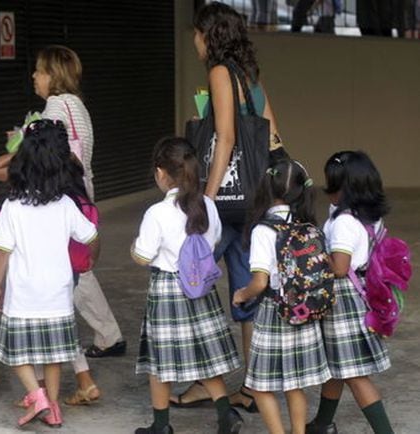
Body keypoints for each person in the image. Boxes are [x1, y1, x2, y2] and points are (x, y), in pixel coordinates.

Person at [174, 2, 286, 411]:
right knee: (246, 294)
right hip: (254, 204)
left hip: (226, 203)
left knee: (191, 281)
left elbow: (224, 138)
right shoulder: (250, 76)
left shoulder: (220, 72)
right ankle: (254, 389)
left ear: (210, 35)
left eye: (198, 36)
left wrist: (207, 197)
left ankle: (209, 381)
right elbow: (271, 136)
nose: (195, 43)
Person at [0, 45, 126, 360]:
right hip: (80, 189)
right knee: (77, 266)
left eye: (39, 70)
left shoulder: (55, 107)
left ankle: (97, 338)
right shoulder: (76, 105)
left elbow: (50, 152)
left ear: (52, 74)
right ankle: (108, 335)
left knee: (71, 269)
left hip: (63, 193)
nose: (34, 76)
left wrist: (21, 146)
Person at [0, 119, 100, 428]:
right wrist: (91, 259)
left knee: (17, 352)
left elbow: (2, 251)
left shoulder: (13, 205)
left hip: (24, 291)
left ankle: (36, 395)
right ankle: (52, 407)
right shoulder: (65, 204)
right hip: (58, 291)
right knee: (54, 356)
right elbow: (91, 237)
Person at [132, 137, 243, 434]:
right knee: (205, 358)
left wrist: (134, 249)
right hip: (200, 288)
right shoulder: (207, 204)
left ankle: (161, 426)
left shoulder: (157, 212)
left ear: (161, 173)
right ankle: (226, 416)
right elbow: (215, 240)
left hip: (168, 291)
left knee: (160, 363)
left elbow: (143, 257)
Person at [233, 159, 331, 434]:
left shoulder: (264, 230)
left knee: (260, 385)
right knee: (294, 384)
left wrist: (241, 294)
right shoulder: (307, 225)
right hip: (304, 311)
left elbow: (260, 282)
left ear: (265, 188)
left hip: (276, 312)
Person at [306, 151, 394, 434]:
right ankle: (322, 424)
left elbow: (340, 267)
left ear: (346, 188)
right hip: (361, 295)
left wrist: (309, 254)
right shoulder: (369, 216)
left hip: (343, 301)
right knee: (338, 366)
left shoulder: (344, 222)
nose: (327, 189)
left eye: (332, 183)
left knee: (355, 375)